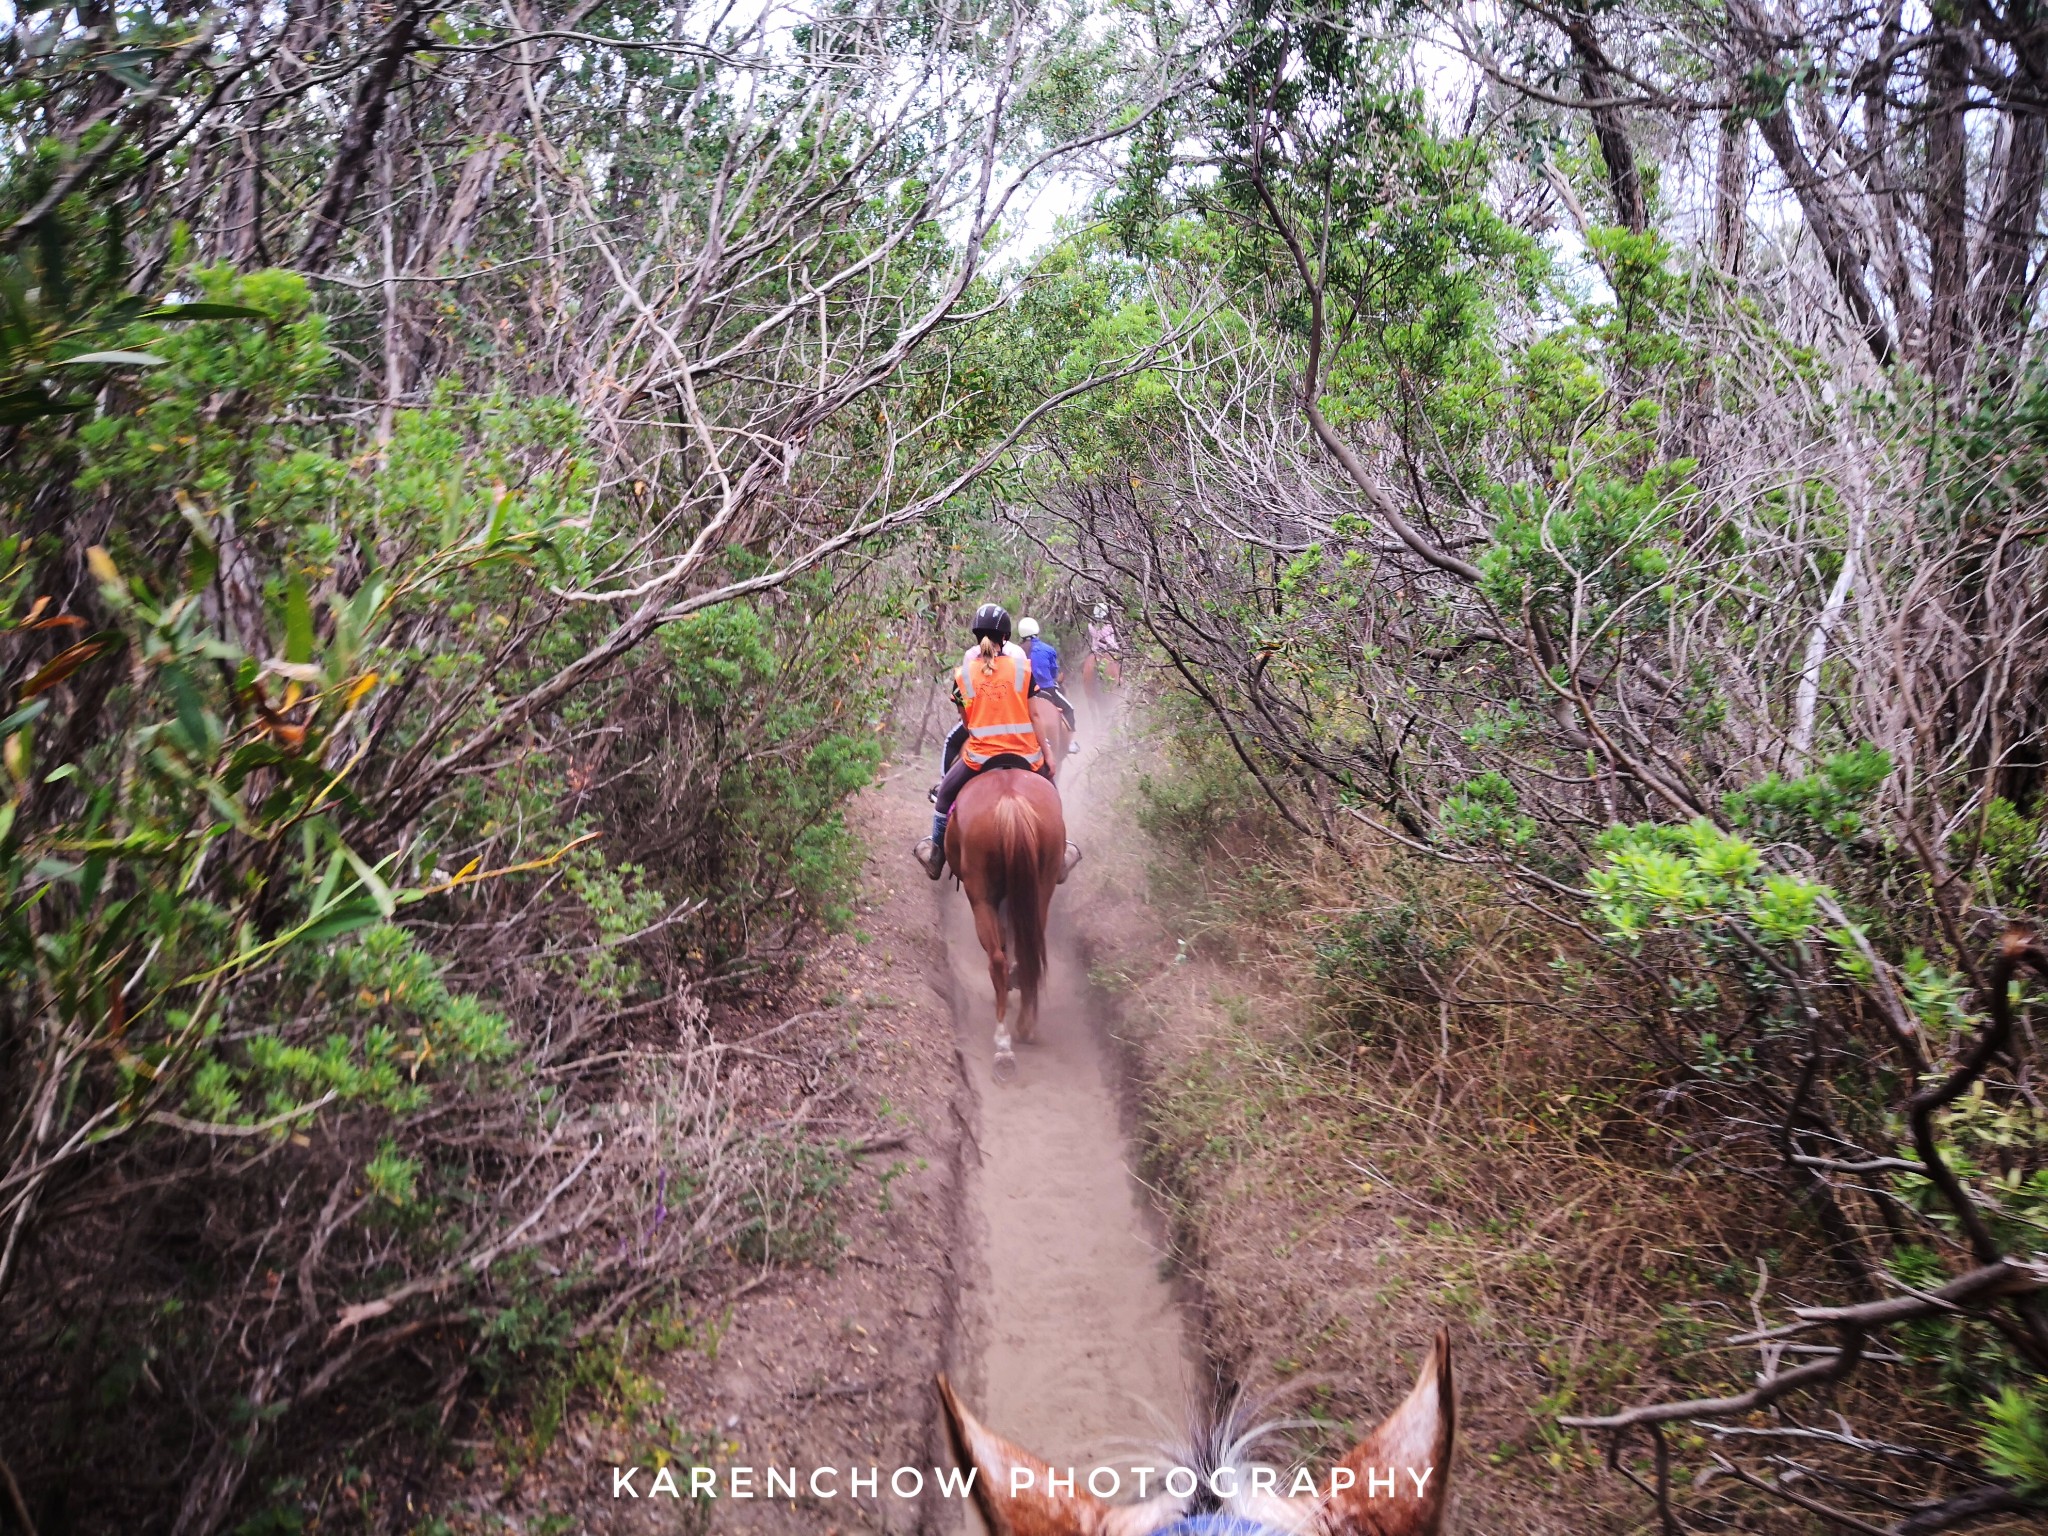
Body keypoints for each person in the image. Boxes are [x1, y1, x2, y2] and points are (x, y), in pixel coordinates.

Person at [914, 605, 1078, 881]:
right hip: (1025, 754)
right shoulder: (1022, 668)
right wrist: (1047, 754)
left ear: (978, 637)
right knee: (1051, 795)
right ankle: (1059, 855)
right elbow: (1035, 714)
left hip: (979, 757)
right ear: (1006, 636)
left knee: (943, 798)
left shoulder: (963, 675)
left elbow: (966, 723)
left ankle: (937, 857)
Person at [1016, 617, 1079, 754]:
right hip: (1047, 690)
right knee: (1069, 709)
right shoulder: (1048, 649)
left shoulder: (1015, 652)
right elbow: (1053, 672)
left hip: (1024, 693)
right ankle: (1069, 743)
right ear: (1037, 631)